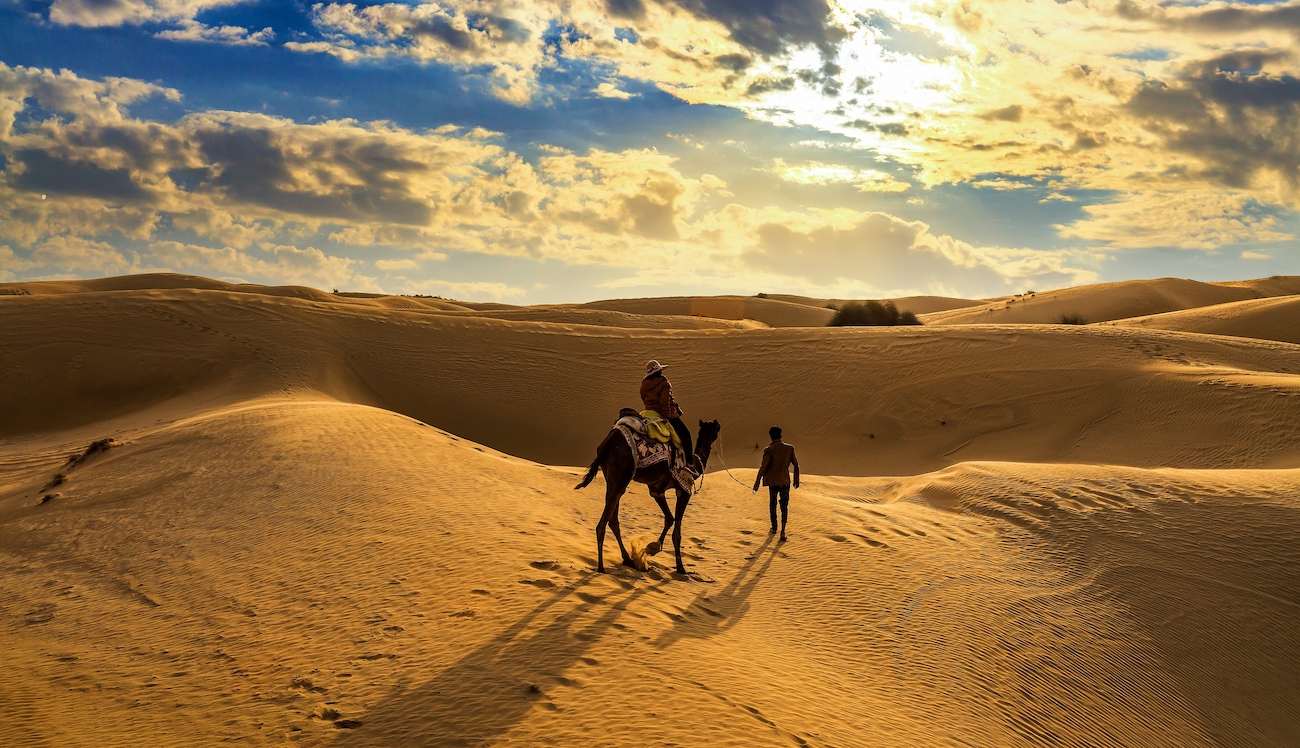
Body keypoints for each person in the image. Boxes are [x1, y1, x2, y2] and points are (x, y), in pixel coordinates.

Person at [639, 359, 696, 471]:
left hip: (647, 412)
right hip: (663, 414)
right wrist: (665, 416)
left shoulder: (644, 384)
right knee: (685, 435)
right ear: (659, 371)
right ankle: (689, 464)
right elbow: (665, 402)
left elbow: (643, 398)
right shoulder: (663, 383)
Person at [752, 426, 799, 541]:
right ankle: (783, 531)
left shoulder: (768, 450)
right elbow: (796, 465)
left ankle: (774, 528)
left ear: (771, 436)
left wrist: (757, 483)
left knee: (773, 504)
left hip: (773, 483)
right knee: (784, 506)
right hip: (785, 482)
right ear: (780, 435)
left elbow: (763, 467)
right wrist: (796, 480)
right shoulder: (789, 449)